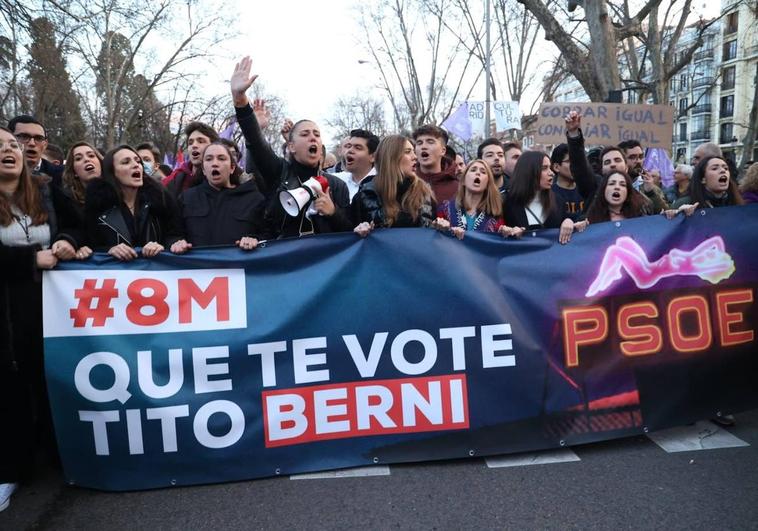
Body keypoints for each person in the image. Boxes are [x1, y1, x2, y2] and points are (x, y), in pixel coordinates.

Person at [0, 126, 58, 512]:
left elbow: (72, 224)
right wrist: (28, 259)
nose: (9, 150)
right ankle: (9, 471)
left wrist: (68, 239)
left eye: (11, 145)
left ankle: (54, 457)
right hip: (6, 309)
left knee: (47, 377)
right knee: (9, 388)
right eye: (0, 147)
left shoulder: (44, 192)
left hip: (48, 305)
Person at [230, 56, 351, 238]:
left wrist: (334, 213)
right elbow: (256, 143)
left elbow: (352, 235)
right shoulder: (278, 172)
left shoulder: (337, 185)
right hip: (284, 262)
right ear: (291, 146)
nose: (313, 138)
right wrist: (240, 101)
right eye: (305, 134)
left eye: (317, 135)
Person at [85, 145, 183, 260]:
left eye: (137, 161)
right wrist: (109, 250)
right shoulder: (97, 206)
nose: (136, 165)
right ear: (112, 172)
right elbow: (88, 245)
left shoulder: (161, 200)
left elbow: (174, 235)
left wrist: (164, 246)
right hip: (114, 274)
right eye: (126, 162)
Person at [170, 142, 265, 253]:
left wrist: (256, 240)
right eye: (209, 159)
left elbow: (268, 237)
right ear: (204, 170)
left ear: (232, 168)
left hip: (238, 268)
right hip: (198, 268)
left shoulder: (254, 199)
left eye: (221, 158)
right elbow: (172, 234)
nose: (215, 163)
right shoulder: (187, 198)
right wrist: (176, 242)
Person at [352, 135, 435, 236]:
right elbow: (349, 238)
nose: (415, 157)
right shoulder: (366, 195)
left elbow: (432, 236)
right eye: (408, 152)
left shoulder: (424, 192)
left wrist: (441, 228)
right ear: (391, 158)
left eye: (413, 151)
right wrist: (359, 231)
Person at [504, 150, 584, 244]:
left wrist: (568, 221)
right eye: (544, 168)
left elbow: (570, 221)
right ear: (529, 171)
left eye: (550, 168)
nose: (551, 173)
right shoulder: (508, 203)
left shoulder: (558, 201)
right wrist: (508, 231)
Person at [433, 159, 522, 239]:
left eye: (483, 172)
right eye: (473, 170)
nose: (478, 173)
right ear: (463, 180)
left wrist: (512, 233)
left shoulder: (495, 216)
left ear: (487, 184)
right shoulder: (445, 209)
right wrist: (443, 228)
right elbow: (434, 237)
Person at [50, 142, 101, 259]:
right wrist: (73, 244)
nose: (87, 160)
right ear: (74, 172)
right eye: (78, 158)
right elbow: (70, 230)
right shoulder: (65, 202)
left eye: (91, 156)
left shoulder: (118, 194)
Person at [162, 122, 219, 199]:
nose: (194, 146)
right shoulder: (175, 178)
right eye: (190, 143)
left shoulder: (223, 179)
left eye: (201, 141)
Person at [7, 115, 63, 185]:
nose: (32, 143)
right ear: (8, 139)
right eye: (24, 137)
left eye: (39, 138)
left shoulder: (62, 177)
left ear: (45, 144)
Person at [672, 156, 743, 209]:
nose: (723, 171)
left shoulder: (736, 202)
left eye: (726, 168)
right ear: (703, 179)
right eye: (715, 168)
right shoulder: (685, 204)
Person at [412, 124, 458, 203]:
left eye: (430, 142)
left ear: (443, 151)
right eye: (419, 143)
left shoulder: (459, 188)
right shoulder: (407, 183)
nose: (423, 146)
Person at [585, 171, 650, 223]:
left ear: (628, 192)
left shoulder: (640, 216)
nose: (617, 187)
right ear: (604, 190)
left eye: (622, 185)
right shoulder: (590, 220)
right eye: (611, 184)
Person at [334, 129, 379, 201]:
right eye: (349, 146)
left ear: (373, 157)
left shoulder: (383, 184)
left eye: (358, 148)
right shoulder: (337, 181)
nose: (350, 150)